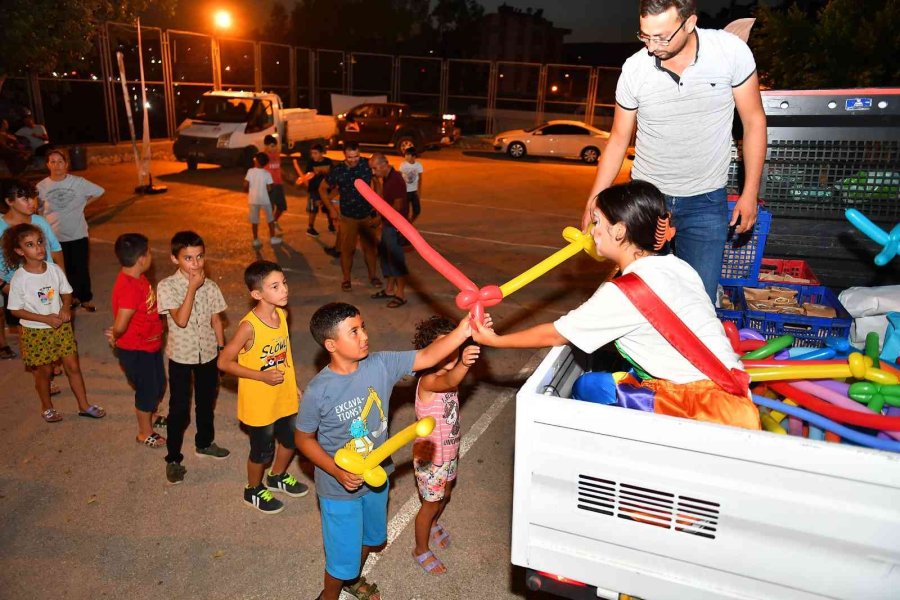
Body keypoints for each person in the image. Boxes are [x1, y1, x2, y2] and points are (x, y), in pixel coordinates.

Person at [475, 181, 760, 430]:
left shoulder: (624, 292)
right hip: (736, 397)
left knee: (589, 386)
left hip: (702, 409)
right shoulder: (678, 267)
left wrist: (497, 340)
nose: (592, 232)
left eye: (597, 222)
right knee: (623, 376)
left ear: (620, 231)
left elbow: (555, 334)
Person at [582, 0, 766, 303]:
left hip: (706, 200)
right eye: (645, 36)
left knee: (699, 302)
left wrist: (750, 193)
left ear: (690, 22)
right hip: (647, 201)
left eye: (662, 37)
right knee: (643, 300)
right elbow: (618, 138)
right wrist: (595, 197)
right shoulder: (635, 68)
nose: (653, 46)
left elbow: (754, 121)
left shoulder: (730, 53)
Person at [297, 302, 473, 600]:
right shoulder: (319, 390)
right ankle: (329, 596)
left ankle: (354, 579)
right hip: (338, 487)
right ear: (331, 344)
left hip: (378, 477)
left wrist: (464, 329)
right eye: (354, 331)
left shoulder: (381, 364)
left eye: (362, 326)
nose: (364, 335)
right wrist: (338, 472)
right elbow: (303, 439)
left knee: (371, 537)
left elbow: (429, 355)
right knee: (342, 554)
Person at [218, 260, 309, 514]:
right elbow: (224, 361)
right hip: (260, 403)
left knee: (292, 440)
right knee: (261, 452)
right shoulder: (249, 327)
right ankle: (253, 489)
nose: (284, 290)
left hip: (284, 395)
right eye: (275, 286)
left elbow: (285, 354)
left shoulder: (282, 314)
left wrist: (294, 384)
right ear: (257, 294)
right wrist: (261, 376)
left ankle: (277, 476)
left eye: (284, 283)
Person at [2, 223, 105, 423]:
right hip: (36, 331)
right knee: (44, 372)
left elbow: (66, 292)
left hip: (61, 328)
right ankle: (47, 407)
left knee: (73, 367)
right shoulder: (20, 278)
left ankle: (84, 405)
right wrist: (45, 319)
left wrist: (66, 307)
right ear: (19, 251)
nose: (38, 248)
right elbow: (15, 309)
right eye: (30, 244)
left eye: (40, 242)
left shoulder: (54, 269)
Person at [157, 231, 231, 485]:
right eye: (188, 258)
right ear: (175, 259)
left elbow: (216, 320)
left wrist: (222, 350)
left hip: (208, 354)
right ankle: (173, 459)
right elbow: (180, 319)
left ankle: (205, 442)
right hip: (181, 356)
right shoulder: (167, 286)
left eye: (199, 257)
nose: (195, 264)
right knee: (179, 409)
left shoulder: (210, 286)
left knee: (206, 401)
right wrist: (191, 288)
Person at [411, 316, 481, 574]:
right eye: (443, 350)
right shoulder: (429, 380)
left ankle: (434, 522)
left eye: (454, 348)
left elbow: (453, 380)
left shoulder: (448, 374)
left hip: (449, 451)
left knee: (445, 495)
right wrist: (463, 363)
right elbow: (450, 381)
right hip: (431, 457)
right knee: (429, 504)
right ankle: (420, 548)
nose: (450, 355)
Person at [105, 233, 166, 448]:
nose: (151, 256)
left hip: (150, 345)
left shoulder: (138, 278)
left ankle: (153, 415)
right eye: (148, 252)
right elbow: (121, 323)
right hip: (137, 349)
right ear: (141, 258)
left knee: (158, 384)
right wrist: (116, 334)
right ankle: (144, 432)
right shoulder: (130, 287)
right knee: (147, 390)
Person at [0, 179, 65, 360]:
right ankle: (42, 369)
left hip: (46, 286)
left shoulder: (39, 221)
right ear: (9, 201)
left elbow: (55, 249)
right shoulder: (0, 227)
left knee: (53, 322)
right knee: (29, 331)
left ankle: (52, 362)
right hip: (16, 288)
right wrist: (5, 286)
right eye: (24, 198)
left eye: (32, 197)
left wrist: (62, 280)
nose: (31, 202)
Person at [37, 149, 105, 312]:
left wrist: (84, 204)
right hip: (54, 237)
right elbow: (38, 207)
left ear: (66, 164)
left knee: (80, 267)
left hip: (78, 233)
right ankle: (69, 299)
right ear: (47, 165)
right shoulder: (41, 186)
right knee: (60, 270)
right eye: (52, 162)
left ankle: (85, 298)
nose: (56, 165)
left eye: (60, 161)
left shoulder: (78, 182)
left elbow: (100, 191)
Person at [324, 142, 380, 293]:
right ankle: (346, 279)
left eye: (356, 156)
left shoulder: (366, 165)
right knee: (347, 250)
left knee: (370, 249)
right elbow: (322, 189)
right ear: (344, 155)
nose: (354, 160)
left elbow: (377, 182)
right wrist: (331, 209)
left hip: (367, 216)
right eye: (350, 157)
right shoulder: (338, 170)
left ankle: (373, 276)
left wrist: (378, 204)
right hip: (348, 218)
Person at [369, 153, 409, 308]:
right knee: (386, 258)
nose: (373, 172)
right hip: (388, 225)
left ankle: (401, 294)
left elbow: (398, 206)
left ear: (384, 164)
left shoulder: (396, 180)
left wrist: (379, 219)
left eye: (374, 168)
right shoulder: (386, 178)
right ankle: (390, 289)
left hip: (396, 226)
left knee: (397, 259)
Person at [295, 143, 336, 240]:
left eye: (316, 153)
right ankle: (310, 227)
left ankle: (331, 225)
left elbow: (333, 174)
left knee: (328, 208)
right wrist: (303, 181)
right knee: (313, 210)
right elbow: (306, 176)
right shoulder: (311, 163)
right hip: (314, 190)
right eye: (312, 153)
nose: (313, 155)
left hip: (326, 190)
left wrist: (333, 185)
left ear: (322, 153)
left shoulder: (328, 161)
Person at [244, 151, 280, 248]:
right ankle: (273, 238)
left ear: (257, 161)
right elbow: (269, 188)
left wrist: (248, 190)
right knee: (270, 218)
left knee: (254, 220)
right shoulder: (267, 173)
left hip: (253, 200)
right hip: (264, 199)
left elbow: (245, 185)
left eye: (255, 159)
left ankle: (255, 239)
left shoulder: (250, 171)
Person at [263, 135, 288, 232]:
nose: (274, 148)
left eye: (275, 146)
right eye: (272, 146)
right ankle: (272, 231)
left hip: (278, 184)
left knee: (282, 206)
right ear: (266, 146)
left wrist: (286, 175)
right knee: (270, 208)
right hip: (269, 186)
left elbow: (278, 167)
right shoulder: (263, 158)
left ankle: (275, 221)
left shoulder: (277, 155)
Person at [399, 147, 424, 223]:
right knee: (404, 210)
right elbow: (399, 178)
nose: (406, 156)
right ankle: (403, 225)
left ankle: (410, 222)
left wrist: (419, 191)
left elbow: (420, 178)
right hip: (405, 191)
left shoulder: (418, 165)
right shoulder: (403, 165)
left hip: (414, 191)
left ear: (413, 156)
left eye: (408, 155)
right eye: (405, 155)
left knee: (417, 210)